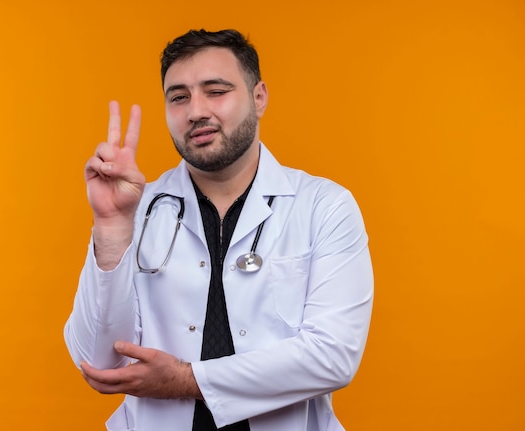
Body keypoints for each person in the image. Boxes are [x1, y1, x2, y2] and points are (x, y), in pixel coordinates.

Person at [64, 29, 373, 431]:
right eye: (179, 97)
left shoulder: (323, 206)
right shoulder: (134, 208)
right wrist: (111, 228)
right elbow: (100, 362)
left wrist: (186, 380)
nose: (195, 111)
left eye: (216, 91)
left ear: (259, 97)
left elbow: (332, 357)